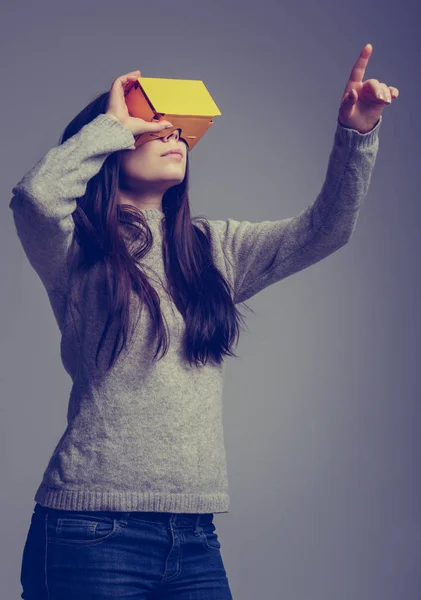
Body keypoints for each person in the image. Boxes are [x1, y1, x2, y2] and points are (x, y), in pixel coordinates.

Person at [11, 46, 393, 598]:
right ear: (114, 145)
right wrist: (109, 127)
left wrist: (356, 136)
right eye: (154, 126)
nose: (174, 135)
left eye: (179, 131)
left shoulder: (213, 249)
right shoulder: (77, 249)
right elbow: (35, 198)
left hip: (194, 538)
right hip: (90, 533)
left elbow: (325, 229)